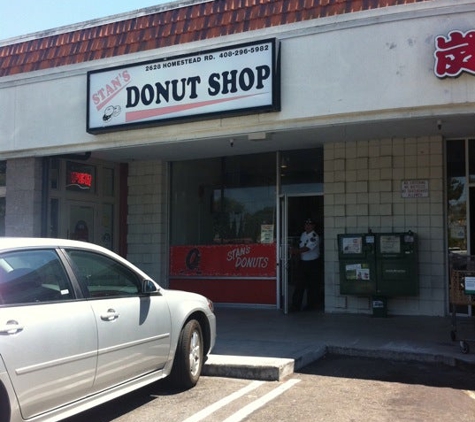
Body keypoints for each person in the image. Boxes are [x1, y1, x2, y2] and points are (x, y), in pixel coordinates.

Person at [290, 218, 320, 312]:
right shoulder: (303, 234)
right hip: (303, 262)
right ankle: (295, 306)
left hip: (312, 263)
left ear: (313, 226)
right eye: (306, 224)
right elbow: (300, 245)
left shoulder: (314, 236)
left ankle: (311, 306)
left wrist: (294, 252)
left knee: (312, 286)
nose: (307, 226)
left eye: (310, 225)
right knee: (299, 285)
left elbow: (306, 248)